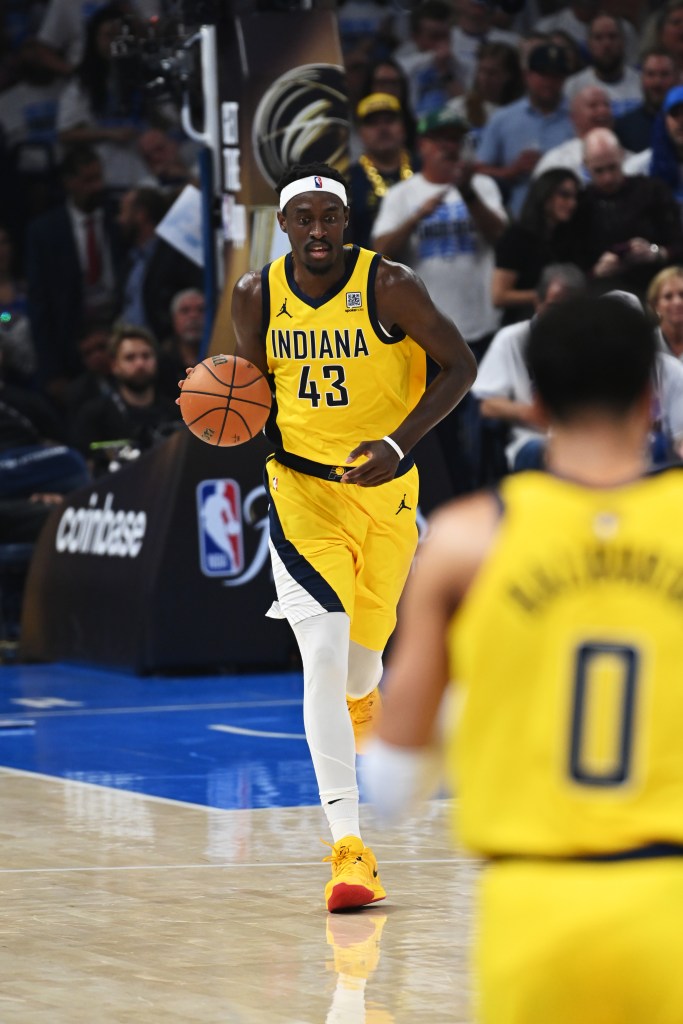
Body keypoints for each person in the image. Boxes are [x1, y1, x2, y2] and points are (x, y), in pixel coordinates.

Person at [363, 293, 683, 1023]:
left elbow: (391, 784)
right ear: (650, 392)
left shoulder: (465, 540)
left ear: (534, 402)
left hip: (531, 906)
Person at [222, 161, 476, 913]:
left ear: (345, 224)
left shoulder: (389, 285)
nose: (316, 231)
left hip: (384, 491)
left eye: (328, 218)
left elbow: (458, 365)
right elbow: (253, 387)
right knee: (323, 655)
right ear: (285, 224)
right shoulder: (255, 293)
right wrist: (222, 408)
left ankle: (363, 698)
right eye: (302, 218)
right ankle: (348, 850)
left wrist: (398, 444)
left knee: (363, 664)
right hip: (300, 493)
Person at [372, 104, 506, 493]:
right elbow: (379, 252)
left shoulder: (482, 187)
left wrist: (466, 192)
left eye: (456, 139)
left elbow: (502, 235)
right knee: (439, 434)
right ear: (423, 145)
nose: (449, 147)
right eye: (441, 139)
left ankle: (487, 503)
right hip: (427, 338)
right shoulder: (402, 194)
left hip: (482, 327)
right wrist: (416, 216)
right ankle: (449, 507)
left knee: (482, 434)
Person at [576, 127, 683, 297]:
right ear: (585, 166)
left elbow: (678, 242)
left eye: (613, 167)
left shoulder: (652, 191)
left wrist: (655, 253)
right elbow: (569, 264)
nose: (608, 177)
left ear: (622, 156)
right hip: (600, 294)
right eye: (599, 170)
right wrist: (596, 272)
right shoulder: (579, 205)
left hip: (655, 287)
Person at [475, 41, 574, 217]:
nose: (549, 82)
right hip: (519, 216)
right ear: (527, 76)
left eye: (556, 76)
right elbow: (478, 170)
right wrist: (511, 171)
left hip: (570, 217)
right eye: (543, 74)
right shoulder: (503, 118)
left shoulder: (577, 116)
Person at [72, 322, 180, 472]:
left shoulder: (175, 413)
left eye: (146, 356)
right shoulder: (94, 416)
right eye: (130, 358)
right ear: (115, 366)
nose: (140, 364)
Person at [492, 169, 584, 324]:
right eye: (564, 195)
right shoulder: (517, 237)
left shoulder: (568, 235)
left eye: (575, 197)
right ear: (544, 194)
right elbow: (499, 296)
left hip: (561, 323)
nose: (572, 203)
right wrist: (547, 296)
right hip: (523, 323)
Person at [346, 92, 415, 250]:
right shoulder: (348, 180)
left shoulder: (424, 169)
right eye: (373, 123)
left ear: (403, 127)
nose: (382, 129)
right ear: (360, 133)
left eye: (389, 121)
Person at [564, 13, 642, 120]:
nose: (606, 44)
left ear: (623, 42)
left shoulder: (641, 82)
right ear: (588, 44)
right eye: (598, 38)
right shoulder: (572, 87)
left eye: (612, 36)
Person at [531, 83, 614, 181]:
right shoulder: (556, 162)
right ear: (574, 117)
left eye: (606, 105)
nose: (602, 110)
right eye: (593, 106)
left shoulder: (630, 159)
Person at [614, 48, 678, 156]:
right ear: (641, 78)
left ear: (678, 78)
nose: (657, 82)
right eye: (651, 74)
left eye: (664, 74)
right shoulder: (623, 127)